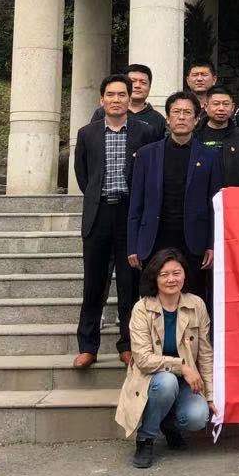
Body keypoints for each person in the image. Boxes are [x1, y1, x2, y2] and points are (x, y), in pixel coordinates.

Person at [72, 73, 163, 370]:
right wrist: (97, 197)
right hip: (98, 214)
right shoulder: (87, 134)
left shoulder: (145, 132)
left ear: (129, 98)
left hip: (130, 215)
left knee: (129, 284)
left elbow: (151, 173)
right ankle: (88, 346)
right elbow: (83, 175)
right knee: (93, 284)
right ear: (102, 100)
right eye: (110, 95)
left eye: (121, 94)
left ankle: (128, 344)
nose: (116, 100)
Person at [116, 248, 215, 469]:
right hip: (154, 379)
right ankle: (146, 438)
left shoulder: (196, 304)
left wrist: (210, 395)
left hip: (188, 382)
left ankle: (170, 424)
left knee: (198, 417)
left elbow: (206, 353)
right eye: (164, 274)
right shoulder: (142, 308)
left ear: (184, 275)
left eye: (176, 273)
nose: (171, 279)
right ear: (155, 277)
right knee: (167, 382)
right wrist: (182, 366)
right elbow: (143, 359)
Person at [128, 92, 224, 313]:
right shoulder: (146, 155)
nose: (181, 117)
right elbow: (136, 204)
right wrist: (133, 245)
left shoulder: (210, 156)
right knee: (153, 299)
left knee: (194, 298)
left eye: (187, 112)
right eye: (176, 112)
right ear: (168, 118)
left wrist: (212, 244)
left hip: (194, 241)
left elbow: (215, 206)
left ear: (196, 119)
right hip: (154, 238)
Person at [195, 85, 239, 187]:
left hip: (233, 194)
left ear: (232, 107)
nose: (221, 108)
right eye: (216, 104)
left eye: (226, 104)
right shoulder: (195, 136)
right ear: (206, 107)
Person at [122, 63, 167, 137]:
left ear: (149, 87)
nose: (137, 86)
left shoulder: (158, 119)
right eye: (132, 81)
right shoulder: (109, 113)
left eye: (143, 82)